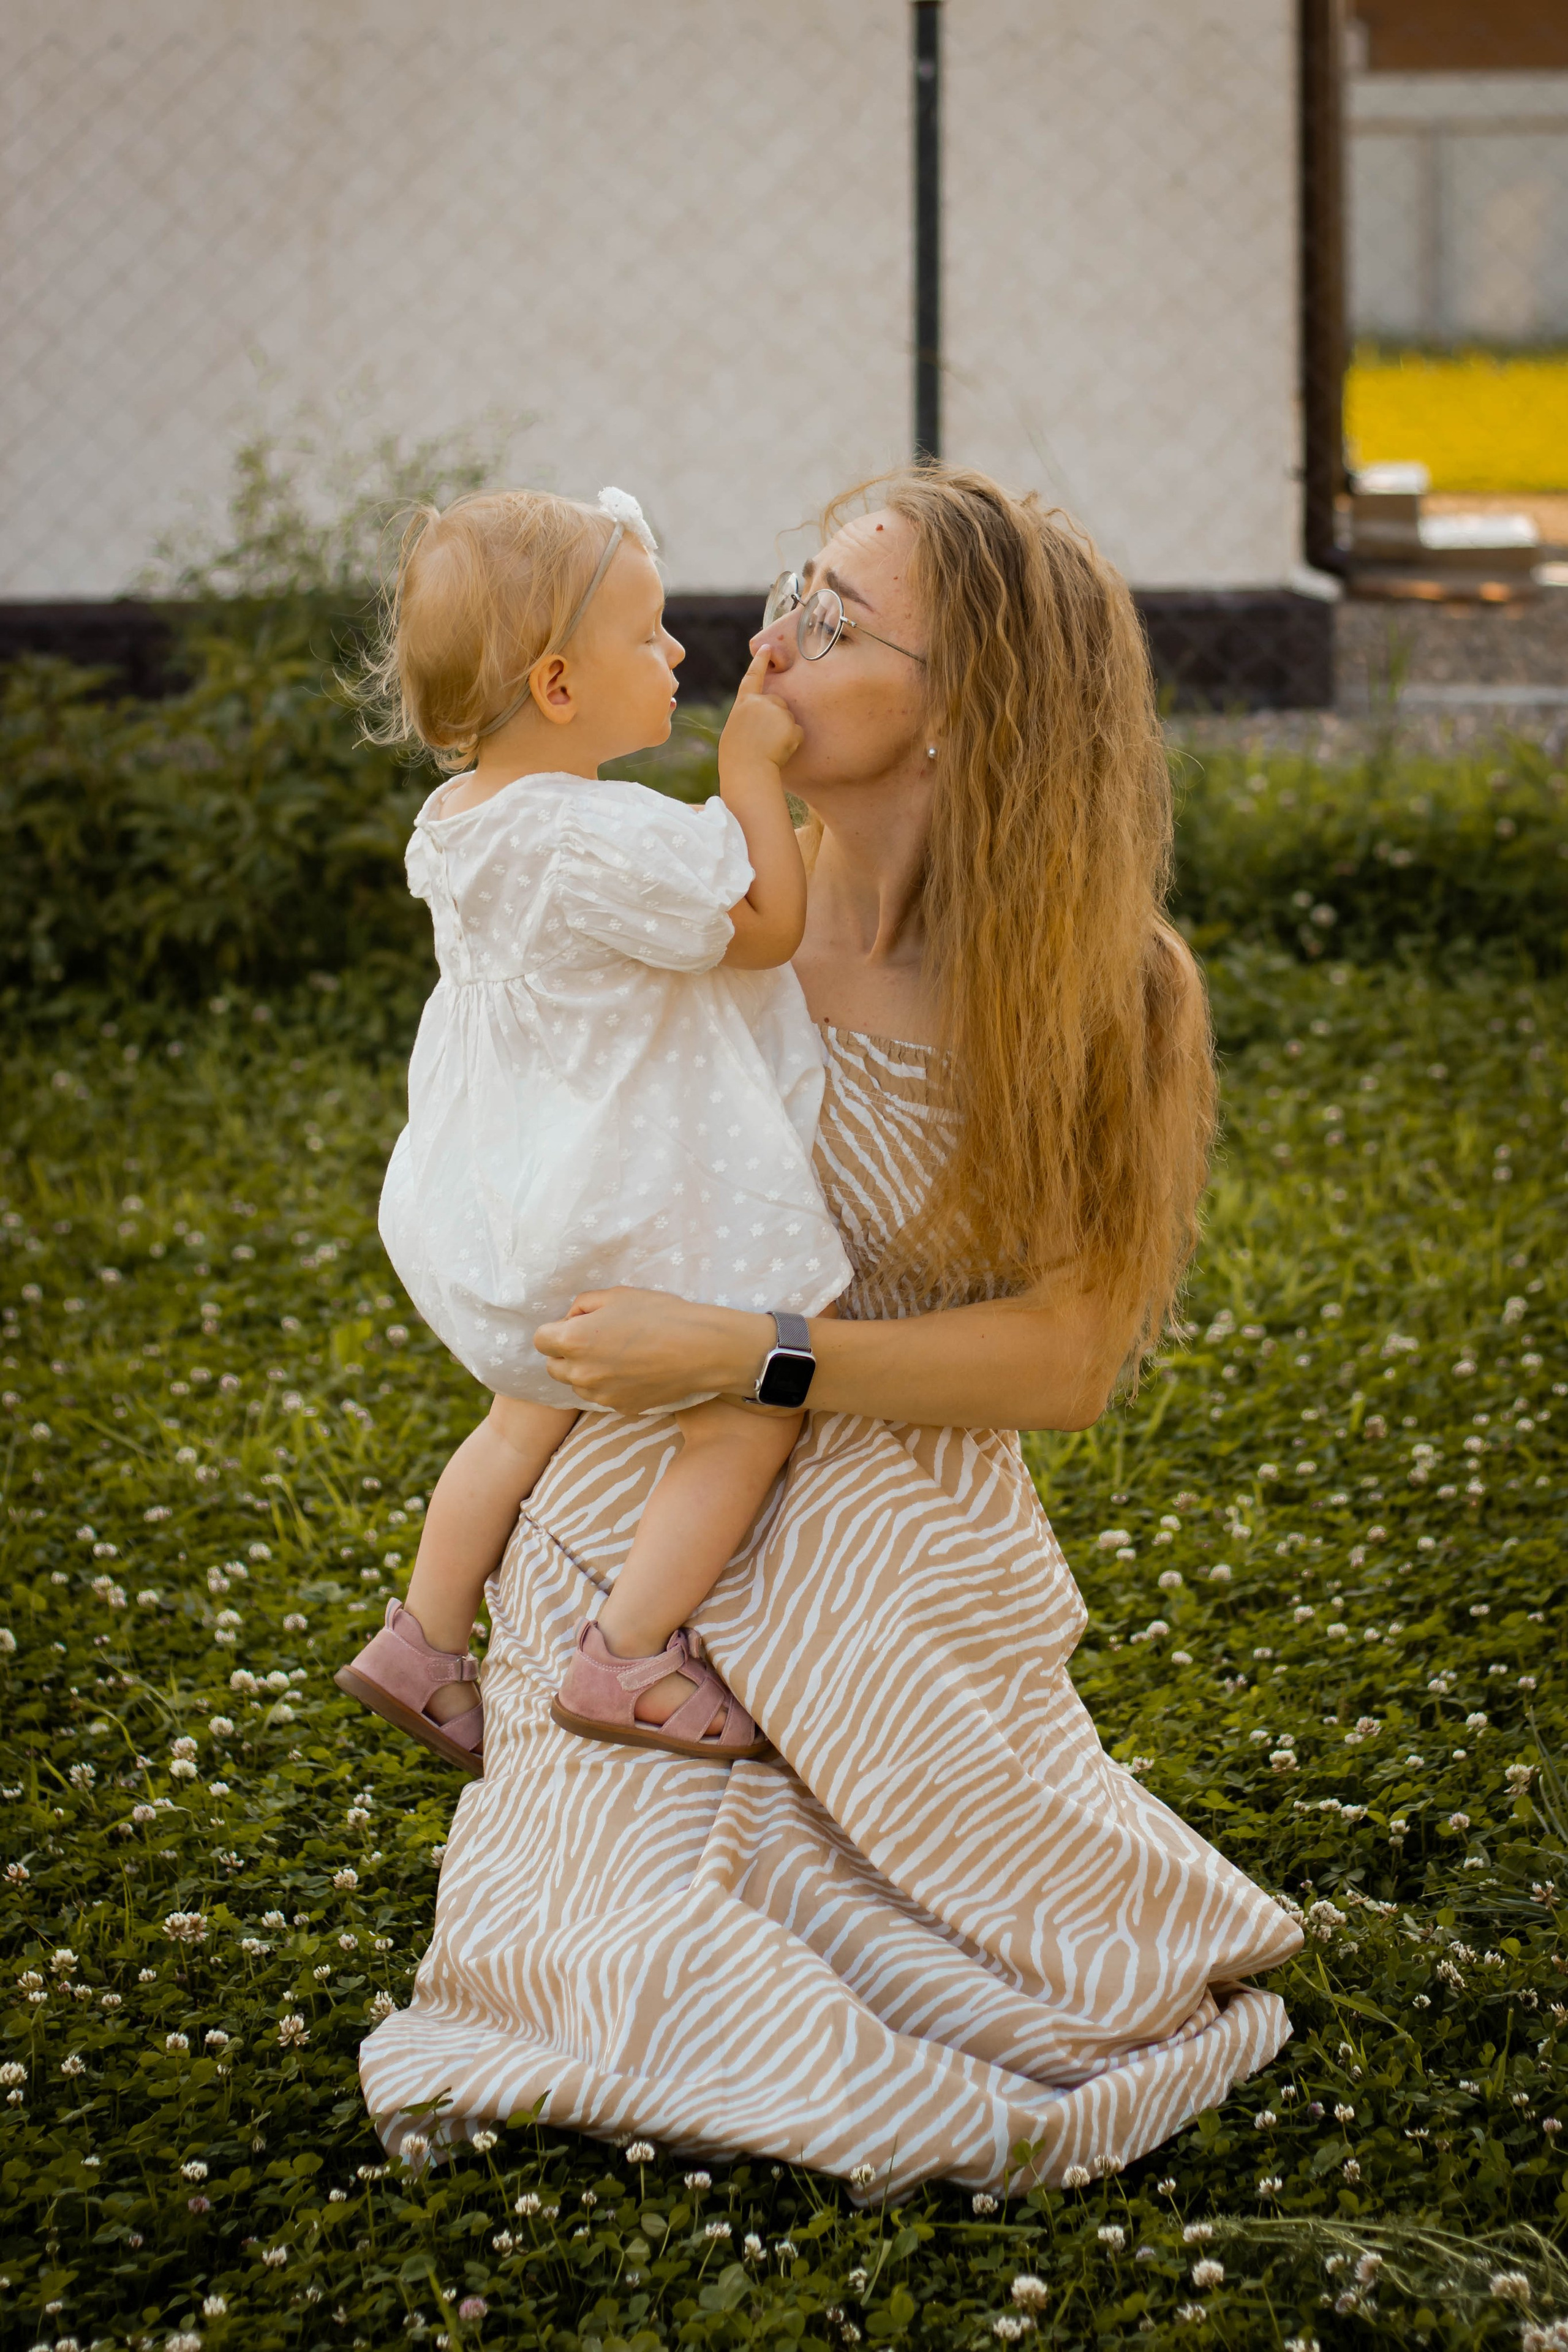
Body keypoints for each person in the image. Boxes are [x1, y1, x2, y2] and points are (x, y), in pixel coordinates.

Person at [360, 464, 1303, 2199]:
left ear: (973, 711)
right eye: (798, 583)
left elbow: (1068, 1361)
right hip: (640, 1499)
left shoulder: (1104, 992)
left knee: (988, 1955)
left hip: (893, 1502)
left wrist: (748, 1354)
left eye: (842, 621)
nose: (773, 633)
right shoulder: (688, 915)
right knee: (618, 1959)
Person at [336, 486, 850, 1775]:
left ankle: (423, 1639)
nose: (678, 655)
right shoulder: (597, 834)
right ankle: (627, 1653)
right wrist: (749, 773)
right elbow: (766, 932)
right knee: (747, 1406)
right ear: (559, 686)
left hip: (503, 1189)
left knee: (518, 1413)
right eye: (652, 635)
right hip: (621, 1193)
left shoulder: (456, 824)